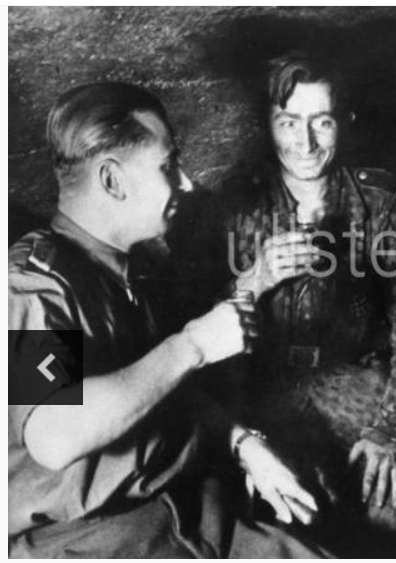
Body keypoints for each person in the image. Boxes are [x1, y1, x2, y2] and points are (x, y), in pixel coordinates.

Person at [8, 82, 327, 558]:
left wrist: (241, 444)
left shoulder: (131, 270)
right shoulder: (32, 286)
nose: (187, 183)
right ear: (112, 181)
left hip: (180, 507)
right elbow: (54, 435)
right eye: (168, 165)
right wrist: (194, 345)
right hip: (86, 540)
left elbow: (160, 391)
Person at [217, 52, 396, 549]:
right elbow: (197, 330)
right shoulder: (237, 203)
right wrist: (253, 278)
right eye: (289, 123)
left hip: (354, 382)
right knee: (289, 515)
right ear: (268, 124)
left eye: (322, 122)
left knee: (389, 503)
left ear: (344, 121)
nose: (306, 142)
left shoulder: (377, 202)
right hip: (265, 391)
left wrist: (392, 433)